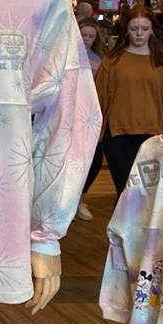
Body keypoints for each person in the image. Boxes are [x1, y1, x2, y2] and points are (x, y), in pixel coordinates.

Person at [94, 4, 163, 197]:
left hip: (153, 135)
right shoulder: (112, 61)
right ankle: (122, 217)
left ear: (152, 30)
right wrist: (93, 132)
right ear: (126, 30)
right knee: (125, 190)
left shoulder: (162, 63)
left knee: (147, 192)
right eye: (134, 28)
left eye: (144, 28)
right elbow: (100, 98)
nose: (139, 33)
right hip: (117, 135)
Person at [76, 17, 104, 222]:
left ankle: (80, 197)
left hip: (90, 114)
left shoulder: (99, 60)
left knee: (94, 159)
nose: (86, 39)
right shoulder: (65, 55)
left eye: (91, 36)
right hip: (69, 113)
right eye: (83, 35)